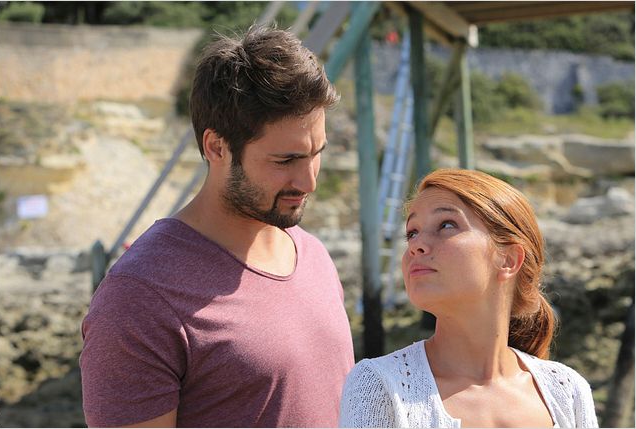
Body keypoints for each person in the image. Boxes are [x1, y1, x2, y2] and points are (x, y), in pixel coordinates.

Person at [80, 26, 355, 427]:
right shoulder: (139, 296)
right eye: (286, 160)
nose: (309, 181)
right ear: (216, 147)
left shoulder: (313, 255)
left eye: (316, 153)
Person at [339, 168, 598, 428]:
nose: (415, 245)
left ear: (508, 260)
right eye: (412, 232)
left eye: (446, 225)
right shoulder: (379, 387)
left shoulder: (567, 392)